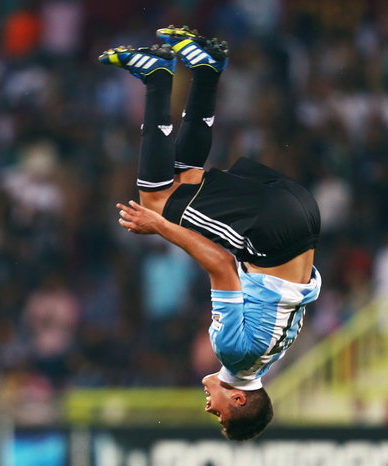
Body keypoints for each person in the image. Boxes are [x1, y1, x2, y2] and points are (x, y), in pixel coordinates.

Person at [100, 26, 321, 441]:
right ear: (238, 400)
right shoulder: (234, 355)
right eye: (219, 417)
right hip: (272, 232)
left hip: (302, 220)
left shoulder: (263, 361)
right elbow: (221, 265)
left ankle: (204, 69)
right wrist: (160, 228)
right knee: (154, 203)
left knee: (187, 180)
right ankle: (157, 76)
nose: (209, 409)